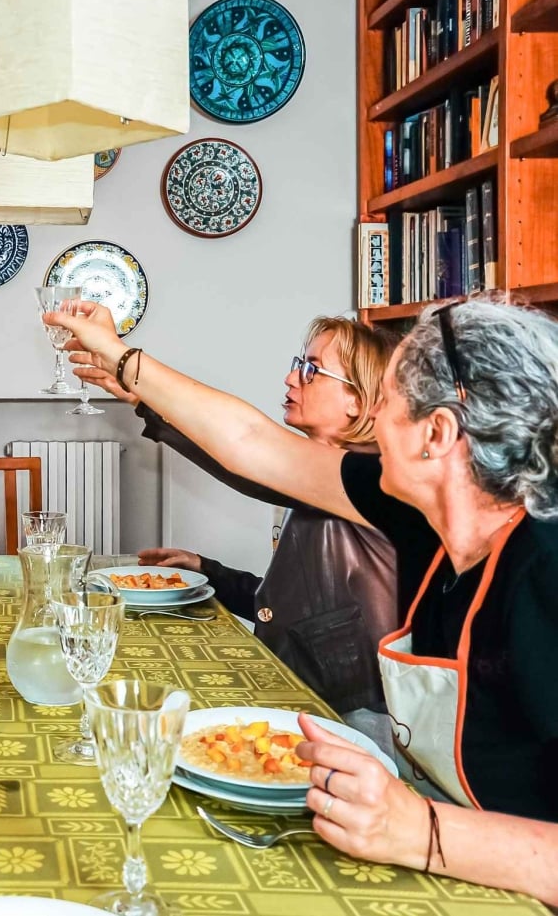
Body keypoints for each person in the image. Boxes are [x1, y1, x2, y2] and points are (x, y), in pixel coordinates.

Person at [50, 296, 558, 902]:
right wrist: (121, 358)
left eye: (388, 402)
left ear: (437, 434)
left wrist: (422, 832)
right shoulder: (419, 510)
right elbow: (252, 443)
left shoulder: (544, 572)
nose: (374, 419)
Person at [74, 318, 400, 750]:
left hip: (354, 719)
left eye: (311, 369)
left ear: (358, 400)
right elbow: (295, 609)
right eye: (299, 363)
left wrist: (126, 363)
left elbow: (247, 444)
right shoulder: (331, 478)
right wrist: (210, 572)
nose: (291, 377)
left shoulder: (377, 479)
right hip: (307, 693)